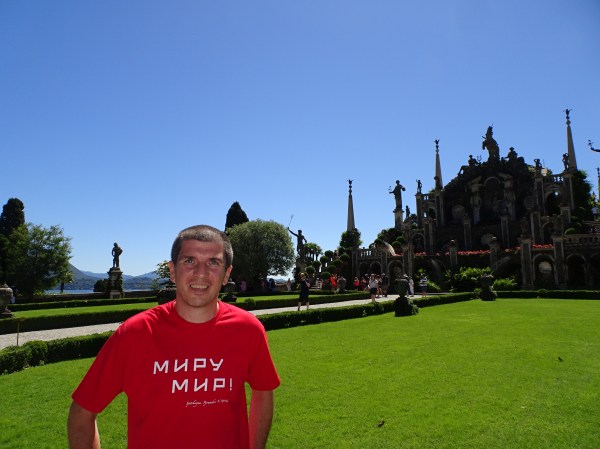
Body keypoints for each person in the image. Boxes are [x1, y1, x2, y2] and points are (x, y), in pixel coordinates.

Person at [68, 225, 280, 449]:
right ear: (172, 270)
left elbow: (263, 392)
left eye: (213, 262)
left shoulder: (248, 329)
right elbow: (82, 413)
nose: (200, 272)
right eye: (189, 261)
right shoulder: (134, 333)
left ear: (227, 274)